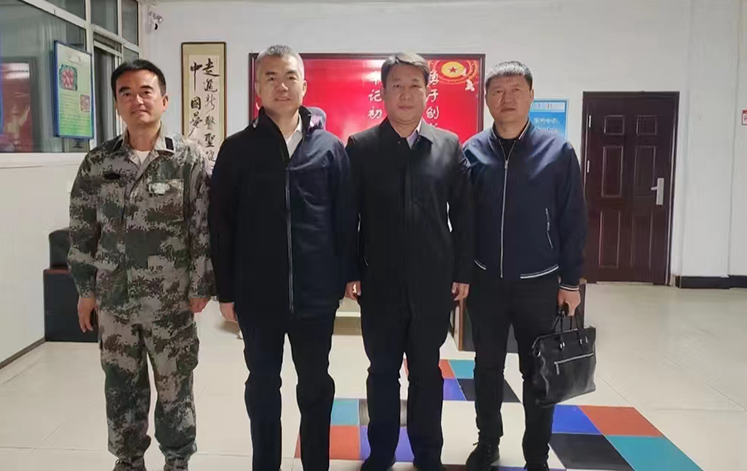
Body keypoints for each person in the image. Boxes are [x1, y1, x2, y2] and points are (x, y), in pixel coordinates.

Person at [68, 59, 214, 471]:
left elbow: (202, 226)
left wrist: (200, 285)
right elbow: (82, 230)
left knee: (175, 388)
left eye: (146, 91)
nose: (137, 100)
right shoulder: (98, 163)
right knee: (121, 389)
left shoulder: (186, 159)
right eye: (126, 93)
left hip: (171, 302)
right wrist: (85, 290)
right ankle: (129, 460)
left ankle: (177, 460)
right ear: (117, 104)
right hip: (115, 302)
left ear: (164, 100)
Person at [210, 45, 350, 471]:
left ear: (304, 85)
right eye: (270, 77)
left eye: (290, 76)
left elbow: (345, 219)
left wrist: (344, 279)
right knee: (263, 388)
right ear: (258, 88)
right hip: (258, 298)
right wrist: (226, 292)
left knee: (315, 386)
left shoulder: (329, 148)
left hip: (315, 298)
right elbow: (222, 225)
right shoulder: (237, 149)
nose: (281, 85)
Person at [345, 52, 474, 471]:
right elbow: (348, 216)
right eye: (396, 86)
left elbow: (464, 215)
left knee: (426, 372)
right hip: (378, 283)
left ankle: (427, 453)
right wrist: (350, 270)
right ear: (383, 93)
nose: (405, 94)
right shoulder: (361, 147)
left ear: (427, 93)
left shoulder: (448, 145)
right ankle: (381, 452)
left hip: (432, 283)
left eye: (414, 85)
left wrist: (462, 271)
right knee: (382, 372)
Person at [462, 61, 587, 471]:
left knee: (538, 372)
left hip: (539, 283)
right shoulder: (471, 151)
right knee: (486, 368)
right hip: (485, 282)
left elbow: (573, 220)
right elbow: (462, 221)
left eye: (516, 90)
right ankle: (488, 442)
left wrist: (570, 281)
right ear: (486, 99)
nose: (507, 98)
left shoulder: (558, 152)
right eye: (498, 91)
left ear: (532, 95)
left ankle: (537, 454)